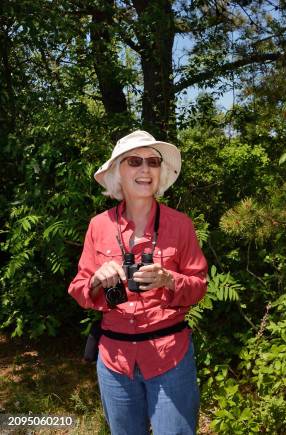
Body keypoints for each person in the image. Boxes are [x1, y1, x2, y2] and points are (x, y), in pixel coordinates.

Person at [68, 130, 207, 435]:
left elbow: (199, 285)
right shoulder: (98, 226)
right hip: (115, 362)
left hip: (170, 357)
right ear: (119, 171)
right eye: (135, 161)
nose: (145, 169)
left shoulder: (180, 225)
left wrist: (169, 279)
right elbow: (78, 288)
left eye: (153, 162)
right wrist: (95, 281)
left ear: (160, 172)